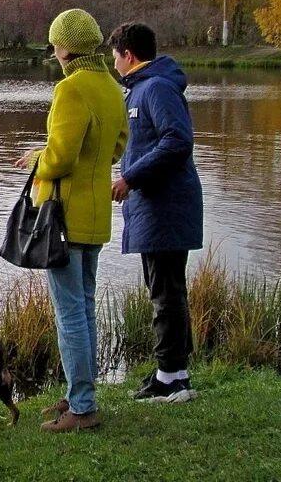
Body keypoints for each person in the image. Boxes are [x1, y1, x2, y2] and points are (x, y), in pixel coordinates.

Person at [14, 8, 128, 432]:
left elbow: (60, 159)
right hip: (95, 215)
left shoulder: (71, 89)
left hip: (62, 219)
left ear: (65, 47)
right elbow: (116, 147)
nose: (53, 50)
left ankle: (82, 407)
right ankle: (81, 394)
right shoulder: (111, 87)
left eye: (55, 43)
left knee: (70, 314)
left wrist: (36, 158)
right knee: (85, 308)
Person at [109, 22, 203, 403]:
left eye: (114, 56)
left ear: (128, 55)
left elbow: (177, 140)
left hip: (166, 208)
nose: (113, 63)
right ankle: (173, 372)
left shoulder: (157, 88)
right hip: (154, 208)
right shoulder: (142, 89)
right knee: (163, 289)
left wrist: (130, 178)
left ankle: (172, 379)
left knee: (165, 293)